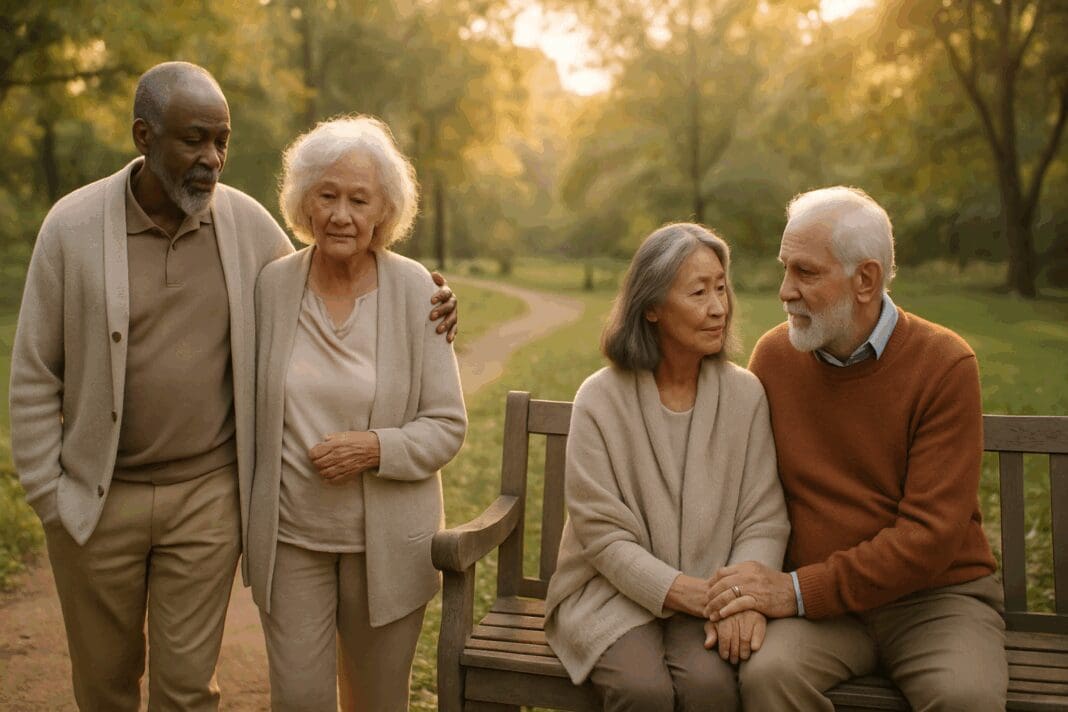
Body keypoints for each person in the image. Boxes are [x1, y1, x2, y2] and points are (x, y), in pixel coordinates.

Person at [8, 62, 457, 711]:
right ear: (144, 135)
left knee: (187, 688)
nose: (211, 158)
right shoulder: (71, 229)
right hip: (98, 499)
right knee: (103, 681)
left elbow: (349, 261)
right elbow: (31, 376)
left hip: (207, 500)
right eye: (193, 140)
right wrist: (51, 497)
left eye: (222, 140)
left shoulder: (246, 229)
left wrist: (437, 298)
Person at [705, 186, 1007, 710]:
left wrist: (795, 591)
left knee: (965, 698)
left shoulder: (945, 364)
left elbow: (929, 538)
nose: (784, 290)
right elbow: (744, 491)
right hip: (825, 612)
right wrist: (753, 595)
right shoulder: (775, 357)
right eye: (785, 269)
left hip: (935, 600)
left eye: (806, 272)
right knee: (767, 677)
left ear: (865, 279)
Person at [245, 115, 467, 712]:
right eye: (327, 195)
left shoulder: (419, 291)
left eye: (358, 199)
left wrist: (375, 448)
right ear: (304, 204)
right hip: (291, 538)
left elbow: (447, 425)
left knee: (376, 701)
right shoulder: (270, 288)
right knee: (297, 700)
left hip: (389, 545)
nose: (341, 214)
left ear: (382, 213)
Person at [544, 223, 790, 711]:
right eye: (699, 292)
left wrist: (736, 596)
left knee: (713, 687)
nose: (719, 306)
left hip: (711, 597)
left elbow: (762, 515)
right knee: (643, 690)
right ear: (651, 307)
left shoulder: (745, 395)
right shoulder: (600, 398)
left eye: (721, 287)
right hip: (609, 593)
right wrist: (685, 593)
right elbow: (602, 535)